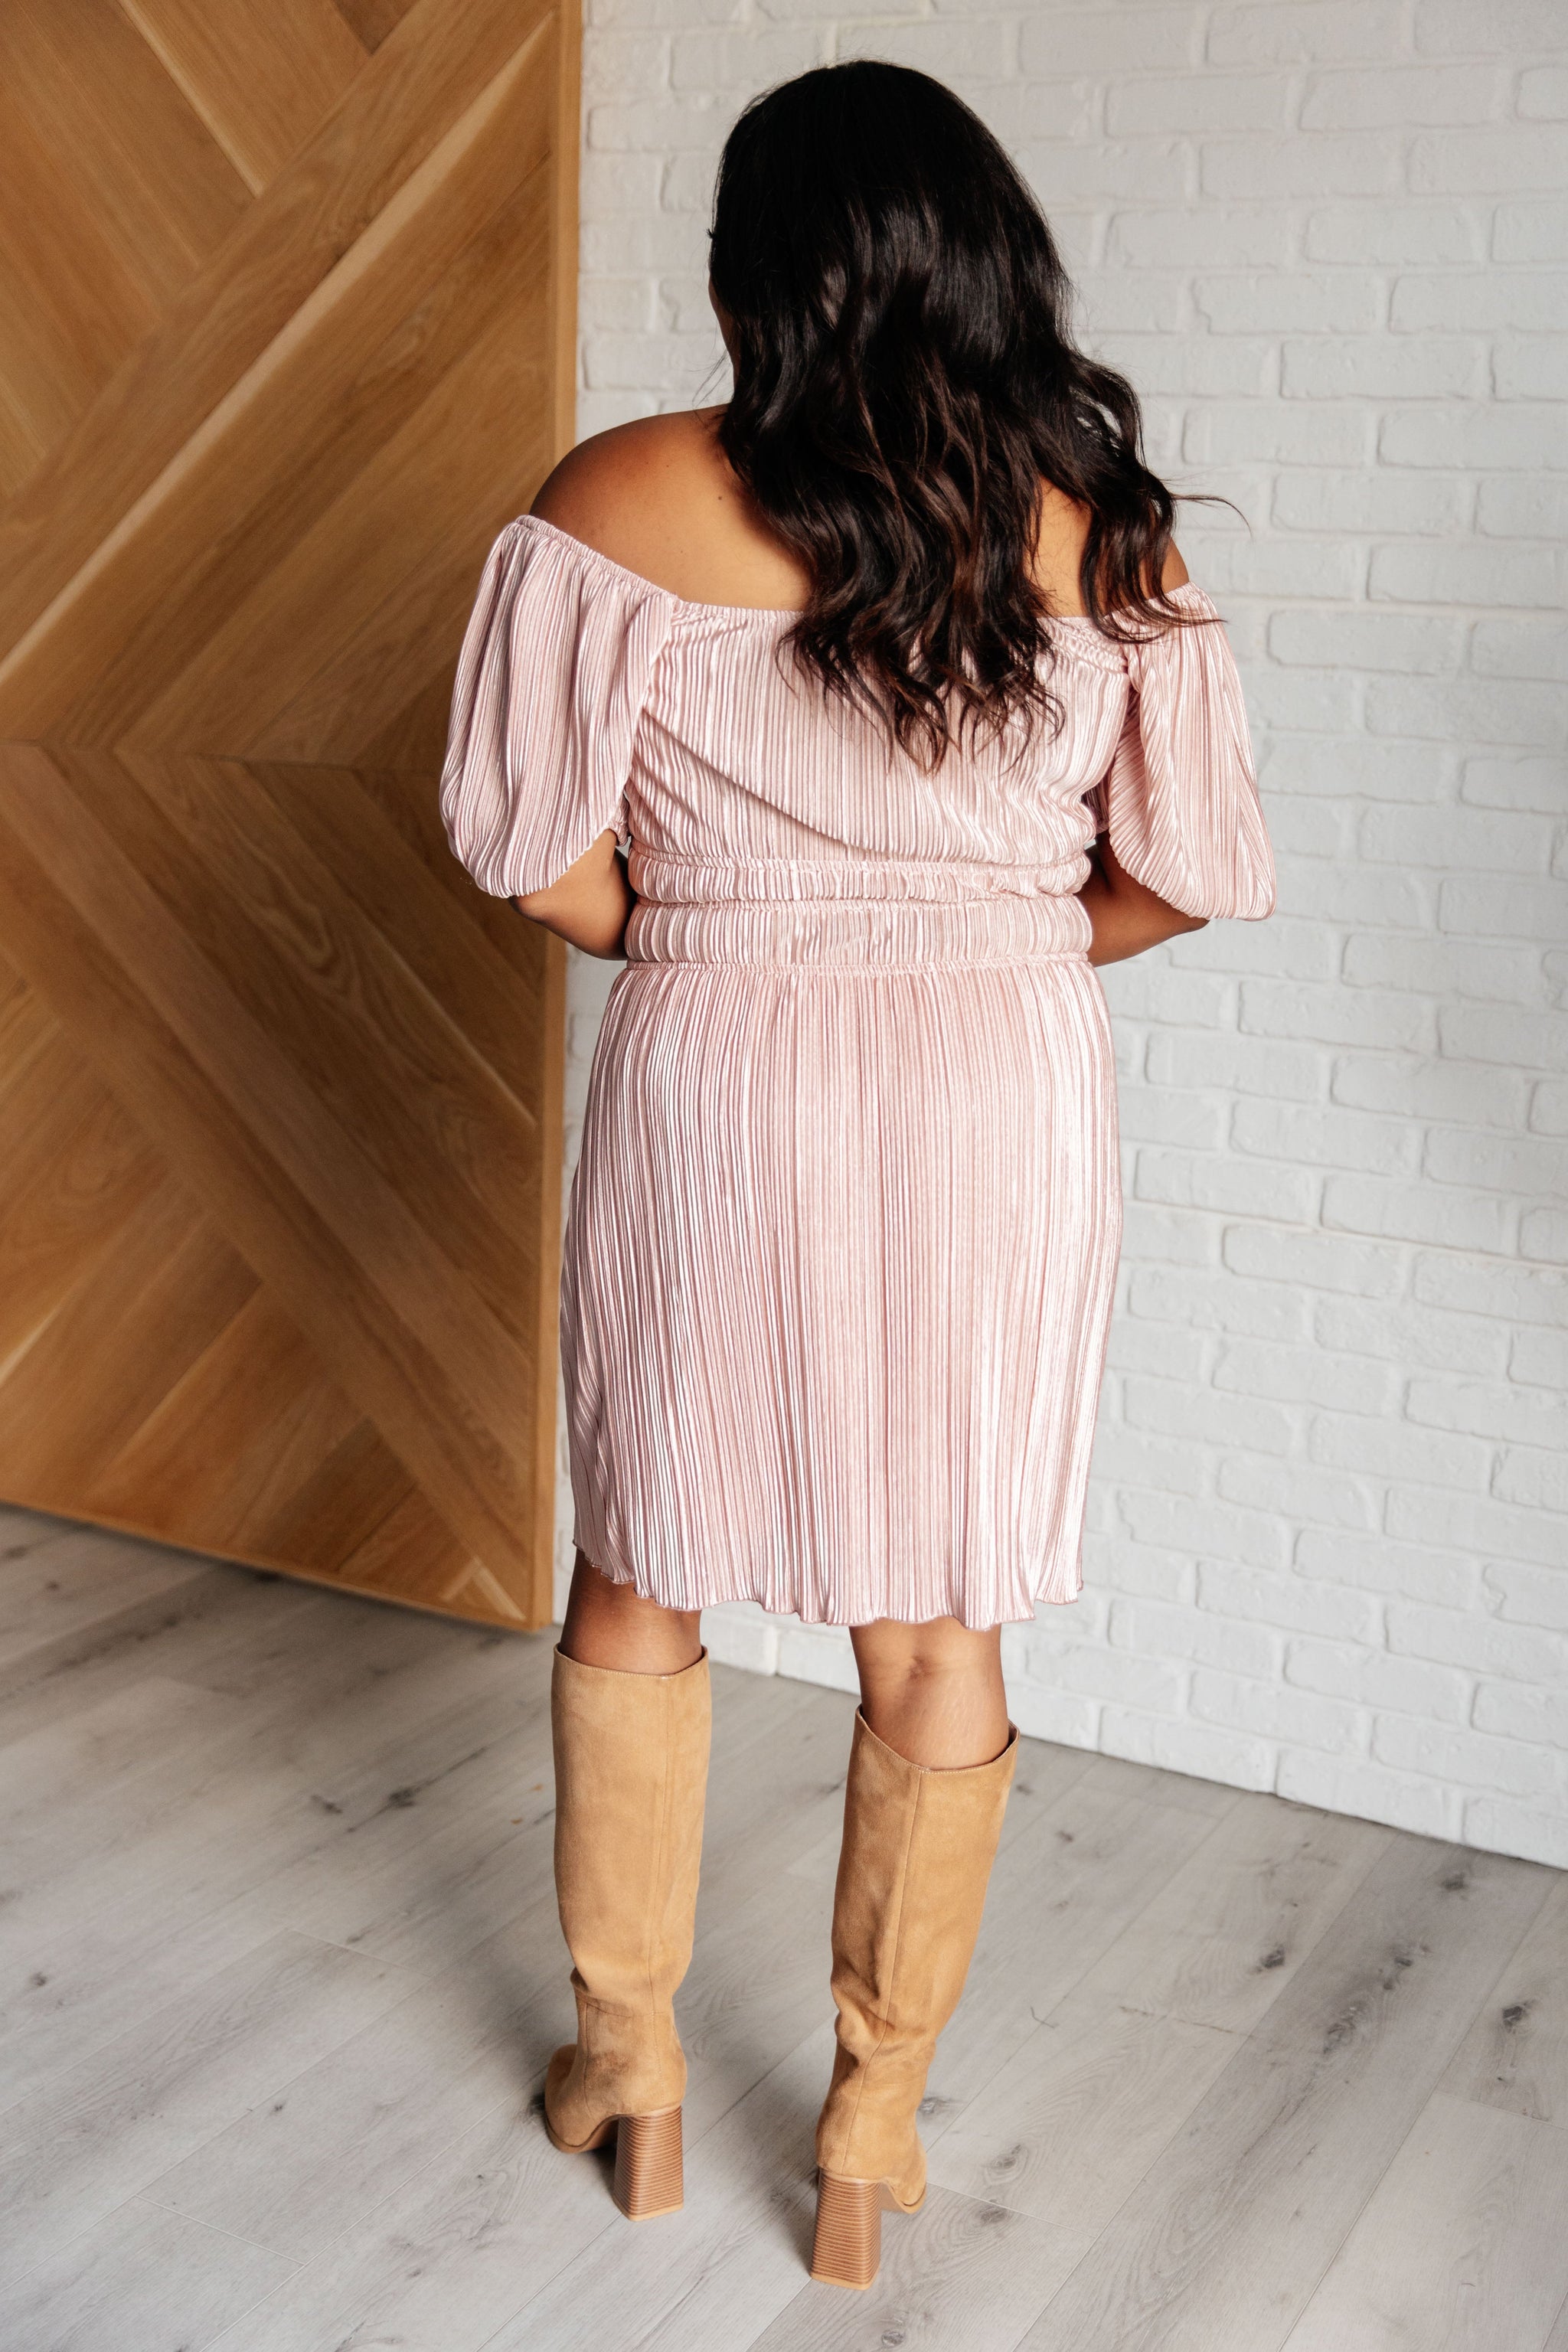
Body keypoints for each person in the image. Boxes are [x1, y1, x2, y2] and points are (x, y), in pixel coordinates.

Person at [440, 60, 1274, 2292]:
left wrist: (705, 930)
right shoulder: (1106, 530)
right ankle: (870, 2132)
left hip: (718, 1066)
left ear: (754, 273)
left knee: (648, 1564)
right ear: (995, 256)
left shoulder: (622, 492)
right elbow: (1186, 870)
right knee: (937, 1613)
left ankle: (628, 2070)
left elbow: (524, 844)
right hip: (1001, 1093)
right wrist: (989, 945)